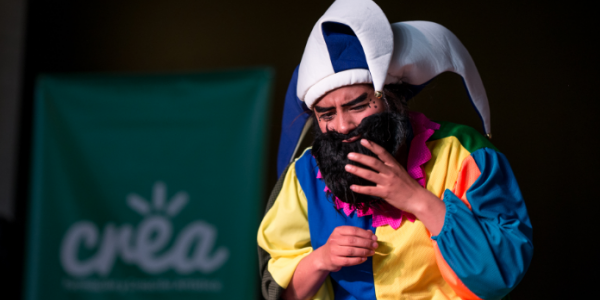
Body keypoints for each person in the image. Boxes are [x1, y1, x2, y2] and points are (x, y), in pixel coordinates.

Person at [258, 1, 533, 299]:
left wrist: (417, 199)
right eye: (326, 114)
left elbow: (501, 273)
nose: (343, 125)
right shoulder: (305, 174)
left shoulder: (462, 153)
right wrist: (319, 260)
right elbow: (280, 293)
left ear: (392, 98)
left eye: (358, 105)